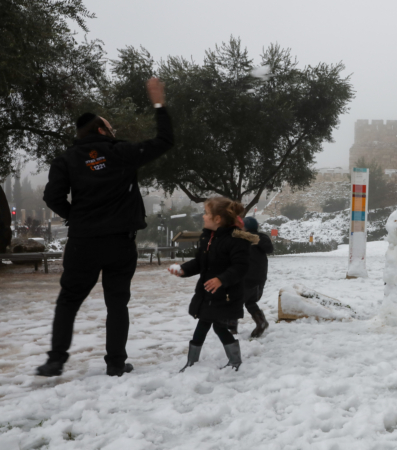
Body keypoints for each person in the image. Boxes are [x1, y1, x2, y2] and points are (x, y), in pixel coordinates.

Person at [37, 78, 173, 377]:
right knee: (116, 303)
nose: (113, 132)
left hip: (83, 242)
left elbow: (52, 197)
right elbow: (164, 141)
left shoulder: (66, 159)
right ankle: (115, 363)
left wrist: (77, 216)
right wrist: (159, 104)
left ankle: (56, 360)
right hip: (119, 243)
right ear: (100, 129)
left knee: (69, 300)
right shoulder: (120, 152)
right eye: (110, 128)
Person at [171, 197, 258, 372]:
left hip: (226, 294)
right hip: (207, 292)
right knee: (206, 323)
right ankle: (193, 361)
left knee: (217, 326)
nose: (203, 216)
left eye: (207, 213)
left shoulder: (236, 240)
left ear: (217, 219)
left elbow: (240, 267)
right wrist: (183, 270)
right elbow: (200, 262)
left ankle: (233, 360)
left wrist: (222, 279)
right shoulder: (207, 237)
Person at [242, 217, 274, 338]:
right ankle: (260, 322)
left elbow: (269, 249)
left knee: (237, 300)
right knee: (249, 301)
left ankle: (231, 327)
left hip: (249, 276)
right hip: (257, 276)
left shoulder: (249, 238)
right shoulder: (259, 237)